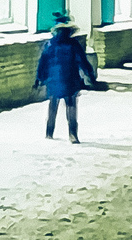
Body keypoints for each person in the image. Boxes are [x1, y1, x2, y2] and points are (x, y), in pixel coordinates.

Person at [35, 10, 97, 141]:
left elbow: (43, 63)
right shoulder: (73, 44)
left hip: (53, 80)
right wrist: (90, 75)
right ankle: (72, 134)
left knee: (53, 105)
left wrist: (39, 79)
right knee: (71, 107)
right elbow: (82, 61)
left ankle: (49, 132)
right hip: (70, 79)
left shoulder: (49, 44)